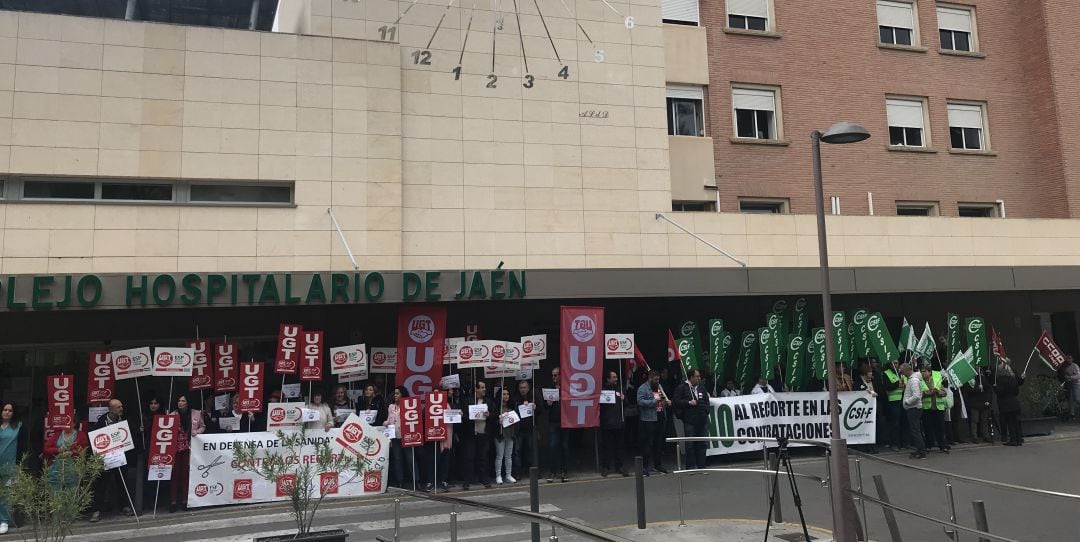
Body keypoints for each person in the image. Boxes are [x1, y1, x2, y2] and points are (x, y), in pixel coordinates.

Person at [91, 399, 136, 522]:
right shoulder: (101, 422)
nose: (121, 409)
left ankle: (124, 506)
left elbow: (130, 437)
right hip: (106, 458)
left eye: (121, 406)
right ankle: (97, 510)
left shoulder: (125, 420)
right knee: (101, 484)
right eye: (118, 407)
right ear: (110, 409)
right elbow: (95, 439)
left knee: (122, 481)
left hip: (120, 456)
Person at [168, 395, 205, 512]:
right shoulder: (171, 415)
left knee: (186, 475)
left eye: (183, 400)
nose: (180, 403)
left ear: (188, 403)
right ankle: (173, 501)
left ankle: (185, 500)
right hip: (175, 449)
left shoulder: (196, 413)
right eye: (178, 401)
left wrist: (196, 431)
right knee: (174, 475)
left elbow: (203, 427)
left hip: (190, 449)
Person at [674, 369, 711, 470]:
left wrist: (706, 410)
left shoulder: (701, 388)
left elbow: (706, 400)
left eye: (699, 376)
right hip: (690, 420)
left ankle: (701, 465)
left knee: (702, 443)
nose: (699, 378)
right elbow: (676, 401)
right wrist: (689, 402)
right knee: (690, 444)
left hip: (701, 419)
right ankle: (690, 465)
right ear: (691, 377)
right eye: (697, 376)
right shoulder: (682, 388)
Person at [637, 370, 671, 476]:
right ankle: (645, 467)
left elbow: (661, 399)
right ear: (650, 378)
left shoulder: (659, 387)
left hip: (660, 417)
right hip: (649, 420)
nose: (657, 381)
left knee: (658, 443)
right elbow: (640, 401)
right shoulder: (643, 388)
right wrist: (653, 402)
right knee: (648, 443)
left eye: (658, 379)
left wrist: (666, 402)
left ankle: (658, 465)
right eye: (656, 379)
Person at [462, 380, 495, 490]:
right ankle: (467, 480)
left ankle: (483, 478)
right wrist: (471, 417)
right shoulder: (469, 401)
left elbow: (494, 415)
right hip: (471, 434)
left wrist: (489, 414)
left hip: (484, 434)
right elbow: (463, 416)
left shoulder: (488, 402)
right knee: (469, 457)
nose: (484, 389)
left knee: (483, 458)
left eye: (484, 387)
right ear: (476, 389)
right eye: (481, 387)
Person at [44, 410, 88, 490]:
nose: (65, 425)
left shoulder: (81, 435)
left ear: (74, 424)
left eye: (68, 423)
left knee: (71, 495)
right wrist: (58, 450)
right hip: (56, 470)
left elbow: (84, 451)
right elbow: (46, 449)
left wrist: (73, 453)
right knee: (55, 495)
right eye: (64, 422)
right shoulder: (57, 434)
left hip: (73, 471)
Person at [0, 402, 26, 534]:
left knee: (7, 494)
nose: (7, 412)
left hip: (11, 466)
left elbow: (23, 447)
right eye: (4, 410)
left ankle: (4, 520)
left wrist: (20, 465)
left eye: (10, 410)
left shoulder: (19, 427)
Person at [384, 386, 414, 488]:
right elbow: (389, 419)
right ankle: (400, 481)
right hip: (395, 436)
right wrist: (386, 422)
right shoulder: (391, 406)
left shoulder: (408, 406)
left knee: (410, 458)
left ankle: (416, 480)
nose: (395, 395)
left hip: (406, 436)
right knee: (397, 458)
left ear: (403, 394)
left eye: (397, 393)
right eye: (394, 393)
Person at [599, 370, 628, 477]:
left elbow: (626, 404)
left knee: (619, 446)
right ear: (608, 379)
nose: (616, 379)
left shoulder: (620, 389)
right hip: (607, 423)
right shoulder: (603, 390)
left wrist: (624, 399)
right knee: (607, 447)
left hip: (619, 423)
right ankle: (606, 467)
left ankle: (619, 466)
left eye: (616, 377)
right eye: (614, 377)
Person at [544, 366, 569, 483]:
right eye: (552, 375)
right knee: (553, 446)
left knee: (564, 446)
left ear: (560, 376)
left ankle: (564, 471)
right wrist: (548, 404)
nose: (553, 377)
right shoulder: (550, 388)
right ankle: (552, 471)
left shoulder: (566, 387)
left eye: (555, 375)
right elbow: (544, 407)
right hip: (553, 421)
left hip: (565, 420)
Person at [920, 364, 949, 453]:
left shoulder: (936, 379)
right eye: (922, 371)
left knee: (940, 428)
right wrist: (929, 393)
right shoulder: (920, 381)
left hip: (938, 407)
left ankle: (942, 446)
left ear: (929, 372)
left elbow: (944, 393)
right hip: (927, 408)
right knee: (928, 428)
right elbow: (920, 393)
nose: (922, 373)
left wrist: (938, 392)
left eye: (924, 371)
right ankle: (929, 445)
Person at [900, 363, 927, 459]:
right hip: (914, 408)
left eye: (902, 371)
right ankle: (919, 449)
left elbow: (916, 395)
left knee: (915, 430)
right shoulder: (913, 380)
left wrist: (907, 402)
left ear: (907, 370)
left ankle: (922, 451)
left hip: (913, 408)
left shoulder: (913, 381)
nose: (902, 374)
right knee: (915, 430)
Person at [995, 360, 1025, 446]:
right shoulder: (1013, 380)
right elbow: (1016, 392)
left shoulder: (1001, 381)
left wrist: (995, 387)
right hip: (1015, 403)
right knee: (1016, 423)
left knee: (1010, 423)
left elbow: (1000, 392)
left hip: (1007, 405)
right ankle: (1018, 440)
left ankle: (1013, 440)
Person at [512, 380, 535, 479]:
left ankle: (531, 472)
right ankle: (518, 472)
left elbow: (540, 411)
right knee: (517, 452)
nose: (523, 390)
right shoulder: (515, 400)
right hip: (519, 430)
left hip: (530, 429)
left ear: (528, 388)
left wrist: (535, 408)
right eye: (521, 388)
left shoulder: (532, 398)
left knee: (530, 451)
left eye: (524, 387)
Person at [494, 388, 517, 484]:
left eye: (507, 394)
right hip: (500, 434)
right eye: (504, 394)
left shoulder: (512, 406)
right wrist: (497, 421)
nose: (506, 396)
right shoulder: (496, 407)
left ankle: (508, 475)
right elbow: (492, 420)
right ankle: (498, 476)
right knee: (500, 456)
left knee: (508, 456)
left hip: (510, 433)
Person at [855, 362, 879, 454]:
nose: (871, 373)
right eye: (869, 372)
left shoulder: (873, 381)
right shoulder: (858, 382)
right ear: (864, 372)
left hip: (872, 408)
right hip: (863, 409)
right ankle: (864, 447)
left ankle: (872, 446)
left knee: (872, 426)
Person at [883, 359, 907, 451]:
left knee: (903, 422)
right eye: (893, 363)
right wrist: (898, 383)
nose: (895, 365)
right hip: (893, 401)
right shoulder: (886, 373)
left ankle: (903, 443)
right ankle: (894, 444)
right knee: (895, 424)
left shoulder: (901, 373)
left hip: (903, 400)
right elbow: (887, 387)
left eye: (896, 363)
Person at [966, 369, 994, 443]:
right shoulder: (970, 379)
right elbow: (968, 390)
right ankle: (974, 437)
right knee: (975, 420)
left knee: (984, 420)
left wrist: (988, 400)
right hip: (974, 403)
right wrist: (978, 388)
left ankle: (986, 436)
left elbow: (988, 389)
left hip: (984, 403)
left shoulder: (982, 378)